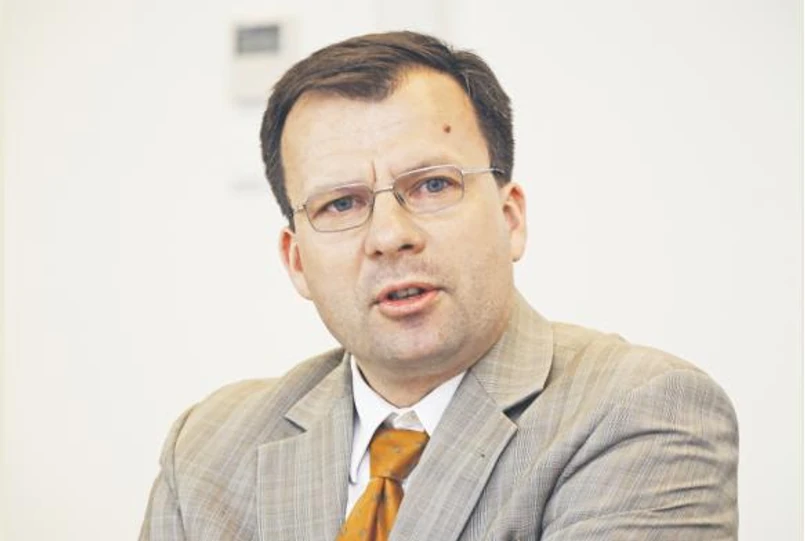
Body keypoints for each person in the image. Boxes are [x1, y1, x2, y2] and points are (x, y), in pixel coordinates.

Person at [139, 31, 738, 541]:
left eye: (432, 186)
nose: (390, 236)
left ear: (510, 219)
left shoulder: (640, 411)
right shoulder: (207, 449)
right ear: (297, 261)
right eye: (341, 203)